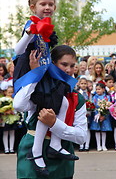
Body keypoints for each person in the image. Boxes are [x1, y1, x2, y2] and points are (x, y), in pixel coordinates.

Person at [13, 45, 87, 179]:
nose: (69, 70)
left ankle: (55, 146)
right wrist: (36, 75)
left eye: (72, 66)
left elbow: (82, 137)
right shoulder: (37, 91)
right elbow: (19, 105)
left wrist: (54, 124)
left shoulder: (76, 98)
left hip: (61, 160)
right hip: (31, 154)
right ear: (52, 63)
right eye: (64, 64)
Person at [90, 83, 112, 151]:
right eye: (96, 89)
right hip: (96, 115)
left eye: (99, 89)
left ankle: (103, 145)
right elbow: (93, 106)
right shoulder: (94, 97)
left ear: (103, 89)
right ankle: (98, 145)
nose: (98, 91)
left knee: (103, 130)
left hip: (105, 115)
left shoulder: (107, 97)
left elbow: (109, 106)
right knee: (97, 130)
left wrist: (104, 115)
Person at [77, 77, 92, 152]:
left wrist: (89, 111)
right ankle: (81, 145)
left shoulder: (89, 93)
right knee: (80, 128)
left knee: (87, 129)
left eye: (85, 83)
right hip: (79, 114)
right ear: (79, 84)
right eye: (82, 83)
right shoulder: (77, 93)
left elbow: (91, 103)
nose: (83, 85)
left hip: (87, 114)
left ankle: (87, 145)